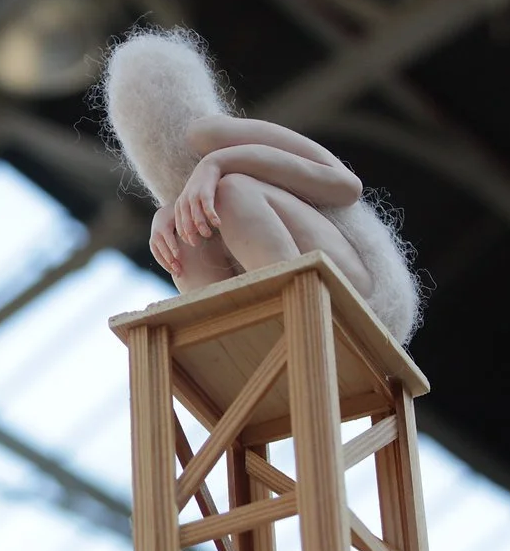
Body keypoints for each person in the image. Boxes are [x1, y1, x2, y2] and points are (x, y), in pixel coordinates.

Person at [102, 28, 422, 345]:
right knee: (184, 236)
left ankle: (295, 312)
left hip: (363, 296)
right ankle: (238, 340)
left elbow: (346, 186)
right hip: (290, 310)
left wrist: (218, 163)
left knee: (232, 193)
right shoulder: (183, 196)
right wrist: (165, 216)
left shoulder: (211, 133)